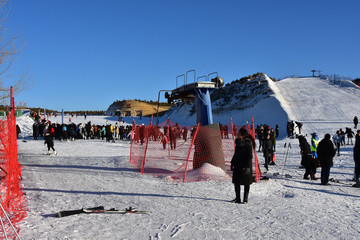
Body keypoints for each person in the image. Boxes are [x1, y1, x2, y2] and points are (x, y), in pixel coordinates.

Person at [230, 128, 254, 204]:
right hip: (238, 165)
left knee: (246, 182)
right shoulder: (238, 142)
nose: (237, 134)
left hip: (246, 165)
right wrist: (232, 163)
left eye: (239, 133)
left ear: (242, 135)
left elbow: (250, 156)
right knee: (236, 182)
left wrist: (247, 167)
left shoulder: (248, 143)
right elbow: (236, 154)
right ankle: (238, 198)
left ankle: (245, 199)